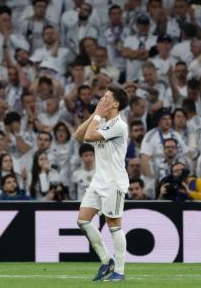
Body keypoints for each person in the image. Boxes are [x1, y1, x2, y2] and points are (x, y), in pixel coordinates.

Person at [73, 85, 130, 282]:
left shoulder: (118, 125)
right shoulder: (101, 120)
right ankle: (107, 261)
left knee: (114, 224)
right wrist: (95, 115)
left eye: (106, 97)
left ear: (115, 103)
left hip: (114, 182)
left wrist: (97, 116)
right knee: (83, 220)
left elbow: (89, 136)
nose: (102, 100)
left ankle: (120, 272)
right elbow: (79, 135)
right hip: (99, 181)